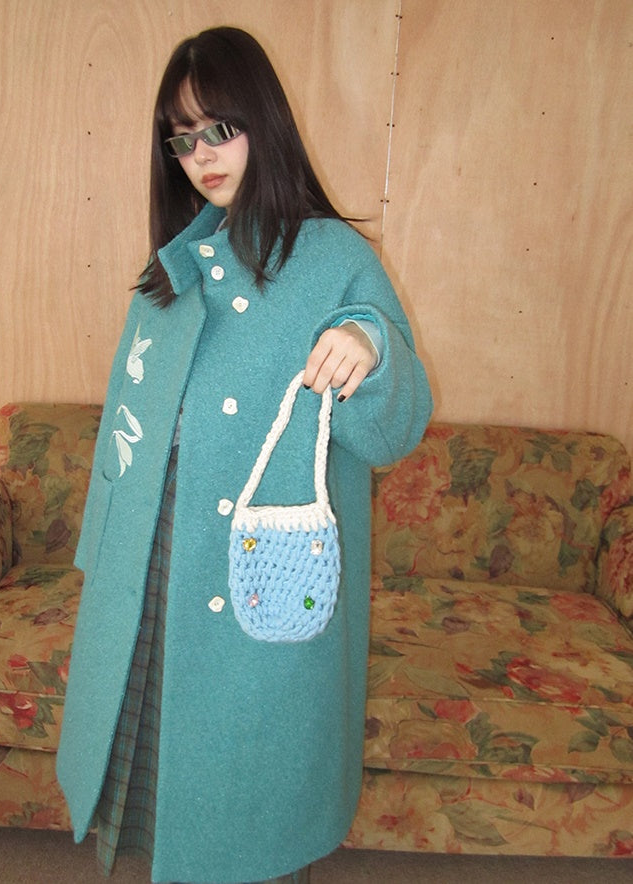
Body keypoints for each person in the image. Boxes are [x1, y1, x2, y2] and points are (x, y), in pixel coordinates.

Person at [57, 26, 432, 884]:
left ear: (263, 120)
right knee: (162, 787)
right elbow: (123, 437)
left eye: (218, 129)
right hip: (158, 566)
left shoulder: (333, 260)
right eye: (181, 139)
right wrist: (101, 562)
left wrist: (369, 346)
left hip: (257, 569)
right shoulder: (173, 270)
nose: (200, 156)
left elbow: (394, 432)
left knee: (253, 799)